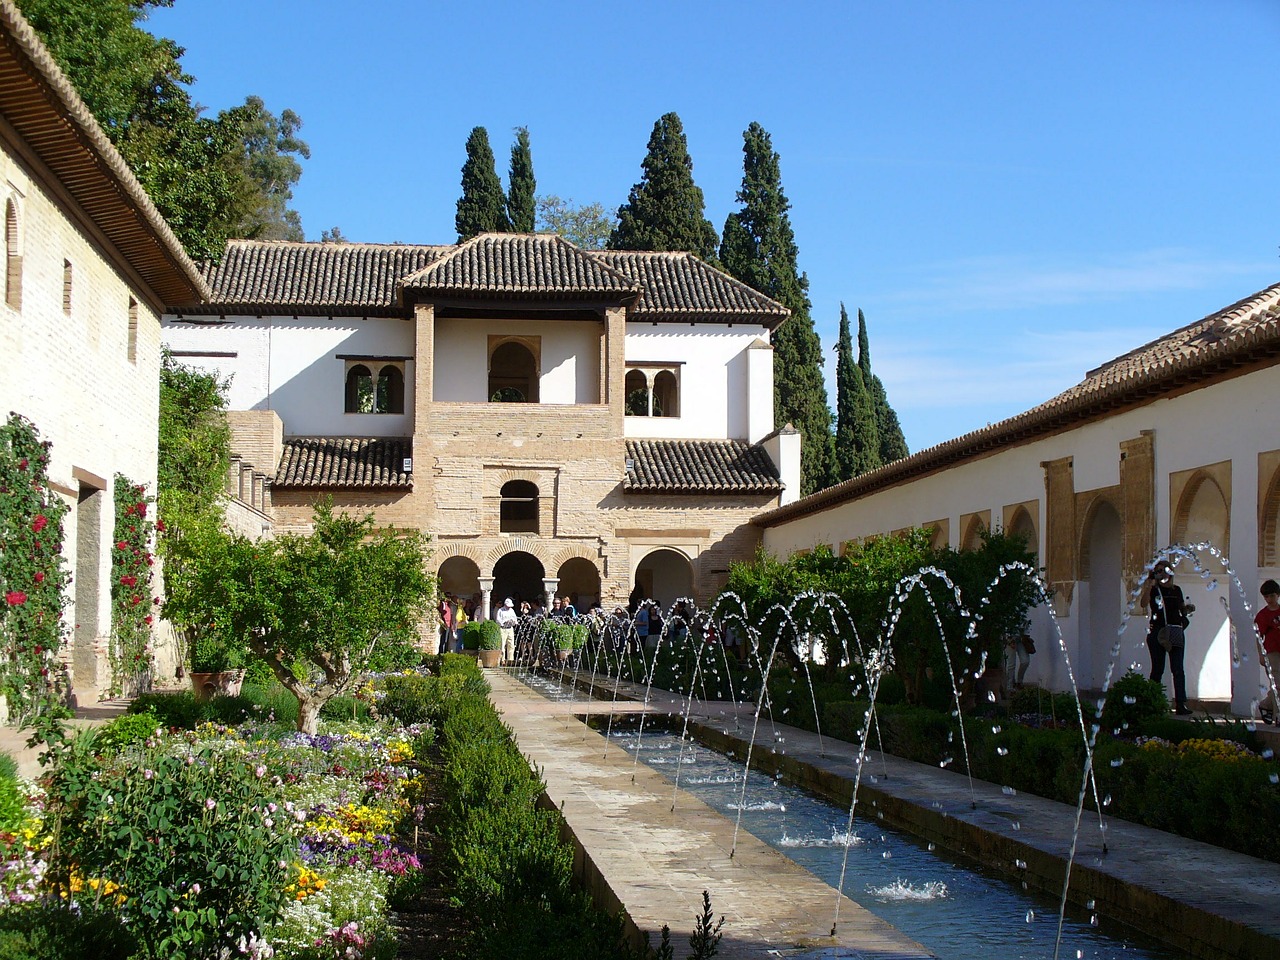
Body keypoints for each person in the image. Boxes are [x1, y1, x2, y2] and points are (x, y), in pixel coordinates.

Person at [1144, 561, 1192, 715]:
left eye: (1165, 570)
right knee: (1157, 668)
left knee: (1178, 669)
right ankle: (1152, 702)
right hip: (1158, 631)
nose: (1162, 574)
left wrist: (1187, 609)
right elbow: (1143, 603)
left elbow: (1182, 610)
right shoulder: (1154, 590)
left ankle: (1180, 703)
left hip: (1175, 631)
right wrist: (1149, 585)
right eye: (1158, 571)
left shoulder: (1176, 590)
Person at [1254, 579, 1280, 725]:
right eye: (1266, 597)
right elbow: (1258, 637)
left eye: (1272, 596)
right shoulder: (1262, 616)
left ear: (1277, 595)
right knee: (1277, 684)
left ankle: (1266, 704)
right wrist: (1261, 655)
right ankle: (1278, 716)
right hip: (1272, 652)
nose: (1269, 599)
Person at [496, 597, 519, 665]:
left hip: (510, 628)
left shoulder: (512, 610)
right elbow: (498, 620)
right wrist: (503, 622)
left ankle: (510, 660)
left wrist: (514, 622)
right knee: (502, 644)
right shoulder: (500, 610)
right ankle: (502, 659)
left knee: (511, 644)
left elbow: (515, 618)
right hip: (503, 629)